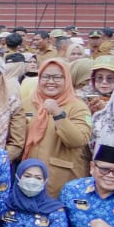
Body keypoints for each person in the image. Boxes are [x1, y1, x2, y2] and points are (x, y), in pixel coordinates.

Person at [20, 58, 92, 194]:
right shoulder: (27, 104)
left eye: (57, 77)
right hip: (28, 178)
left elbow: (78, 140)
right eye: (46, 77)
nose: (51, 81)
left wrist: (58, 114)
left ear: (67, 79)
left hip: (61, 181)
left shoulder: (78, 107)